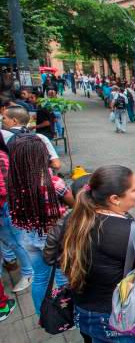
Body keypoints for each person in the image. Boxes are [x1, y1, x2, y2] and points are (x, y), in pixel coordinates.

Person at [61, 165, 135, 342]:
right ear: (115, 199)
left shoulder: (74, 219)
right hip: (118, 317)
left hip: (83, 310)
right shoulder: (133, 231)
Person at [6, 136, 74, 315]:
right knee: (62, 277)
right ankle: (67, 314)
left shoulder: (14, 183)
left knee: (40, 278)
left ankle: (42, 314)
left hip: (29, 236)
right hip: (55, 239)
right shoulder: (54, 184)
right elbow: (74, 203)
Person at [0, 134, 33, 293]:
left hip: (4, 207)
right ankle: (12, 261)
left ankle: (28, 273)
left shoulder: (1, 157)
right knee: (12, 240)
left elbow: (4, 188)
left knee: (16, 241)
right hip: (6, 207)